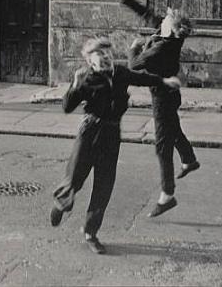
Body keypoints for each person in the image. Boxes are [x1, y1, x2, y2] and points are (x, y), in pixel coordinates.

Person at [50, 37, 181, 254]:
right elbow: (67, 107)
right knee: (74, 178)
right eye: (100, 57)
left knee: (104, 185)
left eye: (108, 55)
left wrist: (164, 81)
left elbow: (142, 78)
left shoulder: (120, 73)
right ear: (90, 62)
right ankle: (61, 204)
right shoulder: (86, 79)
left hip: (111, 134)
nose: (106, 59)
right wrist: (74, 85)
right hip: (89, 132)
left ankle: (91, 232)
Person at [105, 0, 200, 218]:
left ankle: (167, 195)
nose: (162, 18)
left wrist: (133, 48)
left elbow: (134, 66)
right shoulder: (164, 31)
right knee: (173, 129)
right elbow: (145, 12)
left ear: (172, 29)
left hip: (163, 97)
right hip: (169, 95)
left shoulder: (162, 47)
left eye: (167, 18)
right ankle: (189, 159)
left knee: (162, 146)